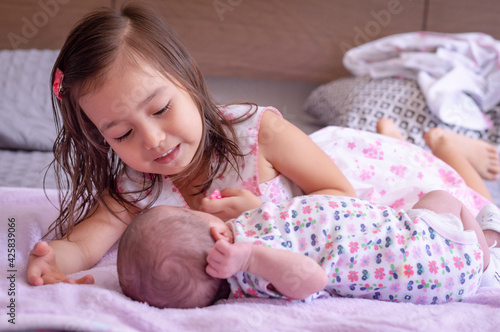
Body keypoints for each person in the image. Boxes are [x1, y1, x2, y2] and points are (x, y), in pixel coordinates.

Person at [27, 2, 499, 287]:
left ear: (189, 83)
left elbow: (344, 199)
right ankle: (400, 134)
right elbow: (83, 245)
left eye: (160, 109)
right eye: (122, 134)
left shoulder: (258, 134)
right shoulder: (136, 184)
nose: (152, 140)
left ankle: (444, 145)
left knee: (472, 215)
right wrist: (55, 261)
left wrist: (267, 216)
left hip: (360, 182)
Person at [117, 190, 500, 309]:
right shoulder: (253, 268)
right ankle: (488, 247)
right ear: (215, 231)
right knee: (440, 198)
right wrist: (250, 256)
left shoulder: (248, 240)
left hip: (434, 263)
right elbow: (313, 278)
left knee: (431, 218)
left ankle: (484, 249)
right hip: (438, 261)